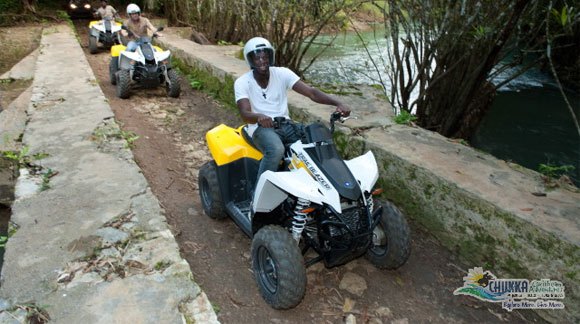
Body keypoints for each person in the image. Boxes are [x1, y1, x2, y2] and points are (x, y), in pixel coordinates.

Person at [234, 36, 351, 184]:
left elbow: (311, 93)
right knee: (276, 150)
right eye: (257, 58)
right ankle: (259, 193)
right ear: (250, 60)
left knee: (317, 141)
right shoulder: (242, 82)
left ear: (271, 57)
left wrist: (338, 103)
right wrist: (259, 117)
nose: (262, 61)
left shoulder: (282, 73)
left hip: (286, 125)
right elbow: (245, 114)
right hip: (261, 129)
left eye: (265, 57)